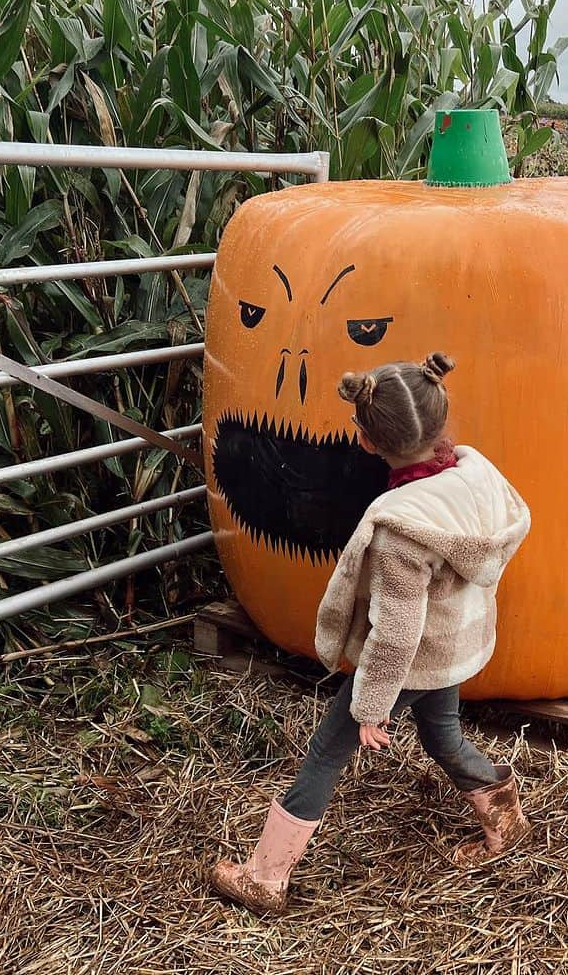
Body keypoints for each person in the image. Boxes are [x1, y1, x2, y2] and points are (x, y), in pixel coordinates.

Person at [209, 353, 532, 915]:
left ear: (364, 440)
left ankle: (265, 877)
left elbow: (396, 633)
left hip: (417, 657)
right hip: (455, 645)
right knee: (442, 734)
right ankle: (505, 817)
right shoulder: (477, 476)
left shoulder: (401, 528)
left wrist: (371, 706)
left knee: (326, 752)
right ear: (442, 414)